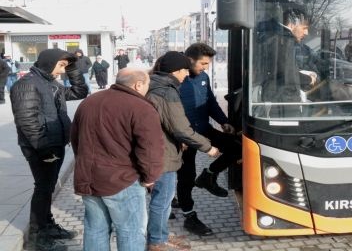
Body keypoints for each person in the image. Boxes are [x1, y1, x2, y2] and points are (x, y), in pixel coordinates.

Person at [70, 68, 164, 251]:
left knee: (95, 230)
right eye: (147, 85)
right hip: (123, 180)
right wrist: (150, 177)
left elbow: (76, 140)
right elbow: (150, 148)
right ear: (138, 84)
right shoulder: (141, 107)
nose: (147, 89)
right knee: (130, 231)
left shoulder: (89, 101)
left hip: (88, 178)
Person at [10, 49, 88, 251]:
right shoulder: (26, 84)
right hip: (42, 147)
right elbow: (27, 121)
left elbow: (80, 92)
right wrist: (44, 149)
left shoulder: (50, 83)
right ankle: (37, 236)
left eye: (65, 66)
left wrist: (73, 69)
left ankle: (48, 225)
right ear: (48, 63)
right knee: (43, 189)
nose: (63, 70)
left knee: (48, 188)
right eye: (61, 65)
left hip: (54, 144)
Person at [145, 51, 220, 251]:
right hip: (164, 152)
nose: (187, 74)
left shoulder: (153, 84)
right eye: (185, 70)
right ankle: (156, 241)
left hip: (157, 147)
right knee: (163, 200)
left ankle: (159, 235)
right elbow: (179, 127)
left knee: (162, 199)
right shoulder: (167, 91)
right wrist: (208, 147)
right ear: (176, 70)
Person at [176, 43, 241, 236]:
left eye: (208, 64)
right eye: (203, 63)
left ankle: (208, 176)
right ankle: (189, 215)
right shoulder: (176, 79)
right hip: (184, 138)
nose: (206, 67)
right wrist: (177, 137)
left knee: (236, 148)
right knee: (186, 177)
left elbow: (210, 102)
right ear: (190, 60)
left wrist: (223, 121)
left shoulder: (203, 77)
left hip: (204, 130)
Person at [257, 7, 318, 116]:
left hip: (281, 101)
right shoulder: (282, 40)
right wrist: (309, 79)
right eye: (304, 27)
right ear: (292, 23)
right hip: (283, 105)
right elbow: (287, 73)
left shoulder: (277, 38)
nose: (307, 32)